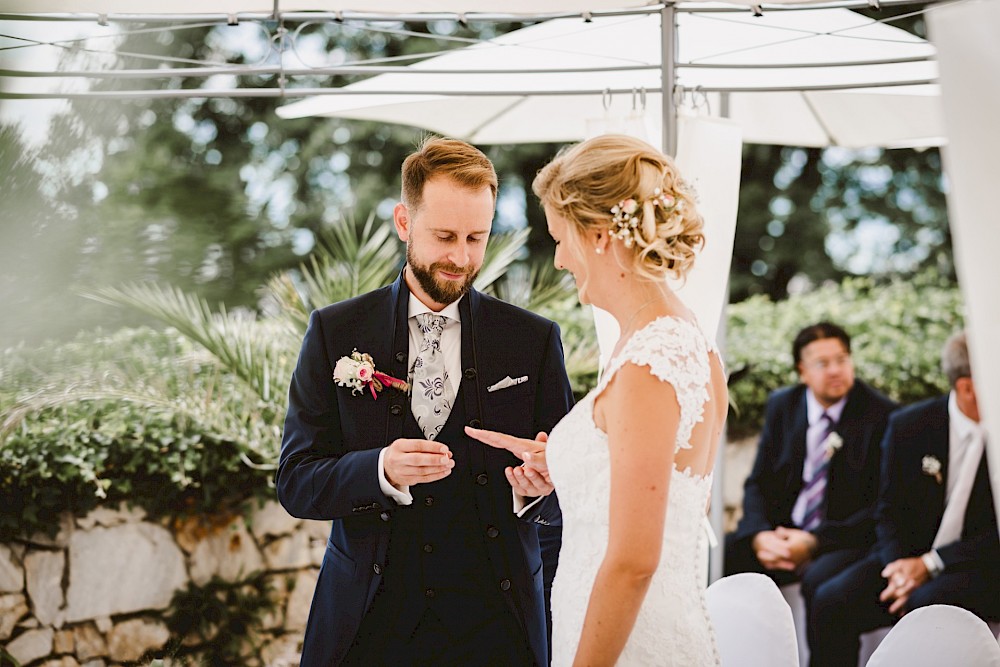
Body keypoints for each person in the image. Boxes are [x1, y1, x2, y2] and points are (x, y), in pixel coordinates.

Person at [276, 137, 574, 666]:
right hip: (369, 627)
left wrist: (540, 489)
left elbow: (570, 491)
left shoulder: (532, 340)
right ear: (404, 221)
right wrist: (380, 470)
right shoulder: (334, 331)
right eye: (444, 236)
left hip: (497, 629)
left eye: (476, 238)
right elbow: (297, 482)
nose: (461, 258)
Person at [467, 134, 728, 665]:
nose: (560, 259)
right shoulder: (675, 343)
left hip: (626, 643)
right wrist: (562, 465)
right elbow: (674, 496)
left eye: (562, 238)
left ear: (600, 236)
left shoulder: (651, 361)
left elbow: (634, 560)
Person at [808, 331, 1000, 667]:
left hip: (981, 565)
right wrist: (899, 569)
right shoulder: (909, 426)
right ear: (968, 387)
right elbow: (888, 511)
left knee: (927, 604)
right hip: (908, 561)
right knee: (832, 601)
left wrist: (930, 565)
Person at [724, 322, 896, 617]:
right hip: (783, 530)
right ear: (802, 371)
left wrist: (814, 542)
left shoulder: (882, 416)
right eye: (822, 363)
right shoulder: (783, 405)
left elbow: (879, 506)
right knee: (722, 556)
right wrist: (759, 536)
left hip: (841, 539)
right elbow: (758, 483)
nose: (835, 370)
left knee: (822, 584)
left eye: (842, 359)